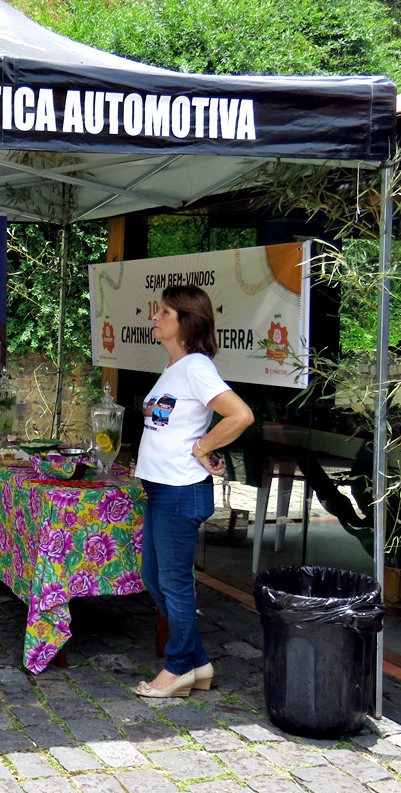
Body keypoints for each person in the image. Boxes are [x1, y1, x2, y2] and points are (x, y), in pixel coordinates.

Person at [134, 284, 254, 699]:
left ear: (186, 322)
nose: (155, 317)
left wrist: (203, 447)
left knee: (174, 583)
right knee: (155, 577)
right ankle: (198, 661)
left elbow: (240, 415)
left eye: (164, 312)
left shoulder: (196, 367)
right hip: (163, 489)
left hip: (180, 490)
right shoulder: (175, 368)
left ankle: (178, 667)